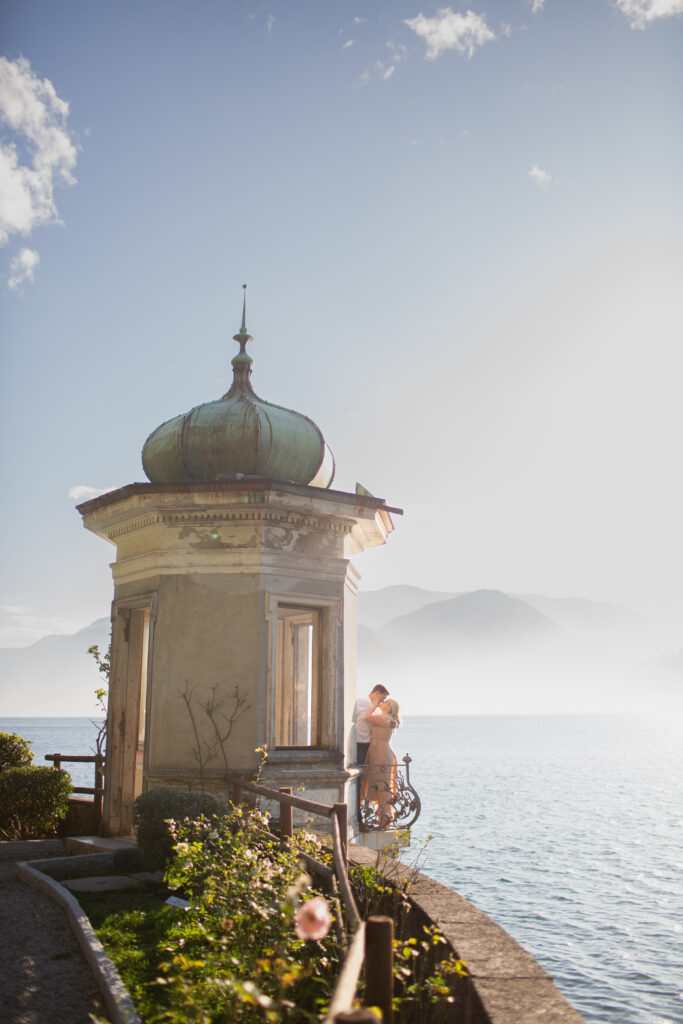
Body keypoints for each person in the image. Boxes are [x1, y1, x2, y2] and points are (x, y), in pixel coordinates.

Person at [362, 697, 401, 829]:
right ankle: (382, 819)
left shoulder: (386, 718)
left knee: (382, 787)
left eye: (386, 702)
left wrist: (373, 706)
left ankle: (385, 820)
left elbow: (368, 718)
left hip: (381, 753)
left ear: (390, 707)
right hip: (378, 751)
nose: (383, 703)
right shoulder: (387, 718)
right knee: (379, 786)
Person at [355, 684, 389, 766]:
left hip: (372, 746)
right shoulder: (359, 703)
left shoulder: (378, 708)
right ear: (377, 693)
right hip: (359, 743)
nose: (383, 701)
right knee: (361, 770)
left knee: (370, 772)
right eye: (383, 698)